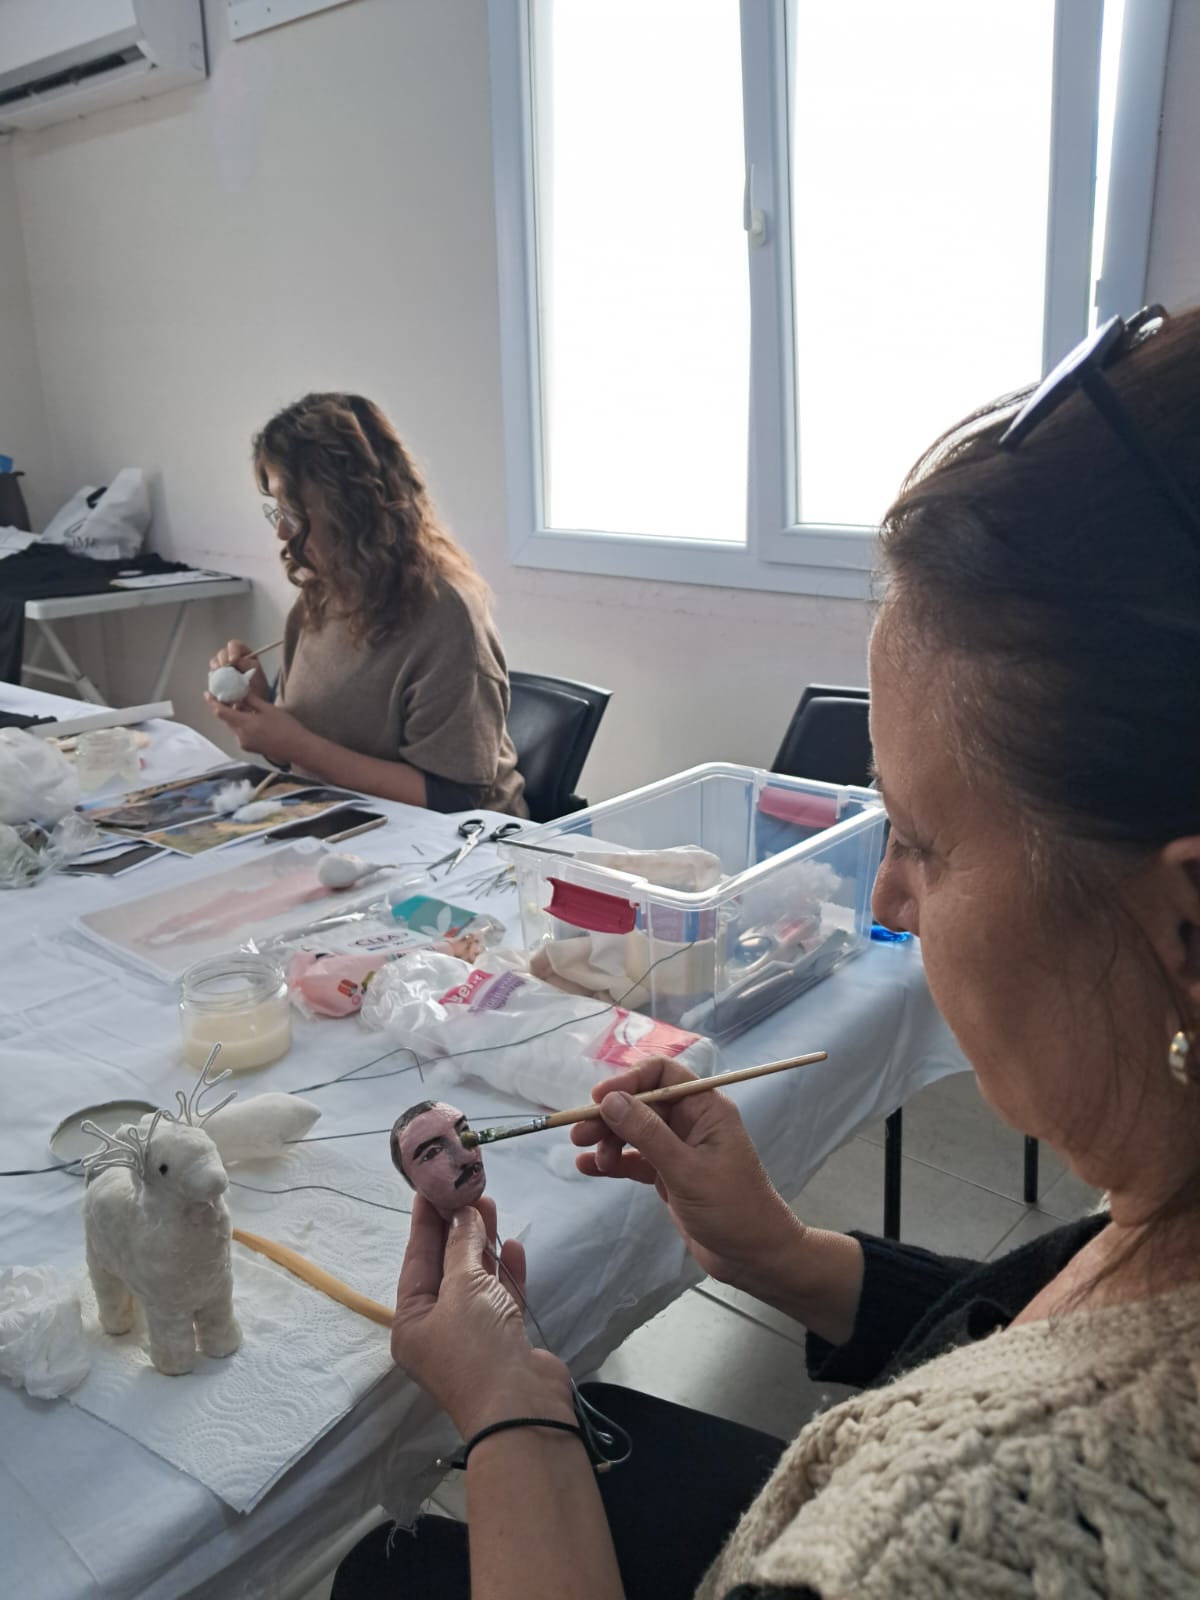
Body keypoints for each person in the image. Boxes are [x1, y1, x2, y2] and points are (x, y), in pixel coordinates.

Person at [335, 304, 1200, 1599]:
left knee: (384, 1569)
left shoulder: (989, 1544)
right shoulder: (1164, 1208)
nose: (888, 896)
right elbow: (1024, 1309)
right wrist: (778, 1252)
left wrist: (507, 1409)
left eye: (921, 841)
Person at [206, 393, 526, 815]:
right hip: (344, 822)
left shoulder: (446, 617)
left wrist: (297, 745)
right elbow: (305, 755)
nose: (282, 531)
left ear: (350, 507)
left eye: (293, 510)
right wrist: (263, 712)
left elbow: (454, 797)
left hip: (457, 841)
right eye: (277, 509)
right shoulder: (322, 593)